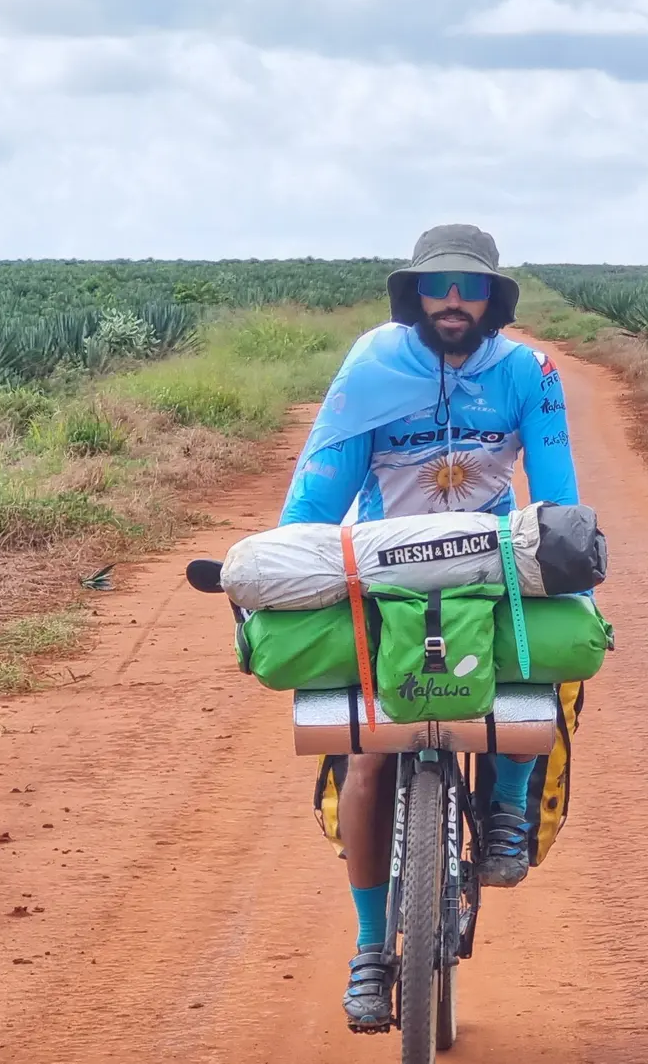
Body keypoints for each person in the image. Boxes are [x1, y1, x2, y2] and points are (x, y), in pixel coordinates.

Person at [276, 224, 580, 1032]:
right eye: (438, 285)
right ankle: (372, 948)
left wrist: (568, 548)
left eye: (469, 287)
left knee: (540, 647)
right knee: (370, 761)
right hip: (383, 568)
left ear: (491, 299)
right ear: (415, 293)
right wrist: (285, 564)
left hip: (487, 560)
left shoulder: (527, 372)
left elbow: (555, 491)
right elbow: (317, 489)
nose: (453, 301)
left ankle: (510, 809)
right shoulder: (372, 367)